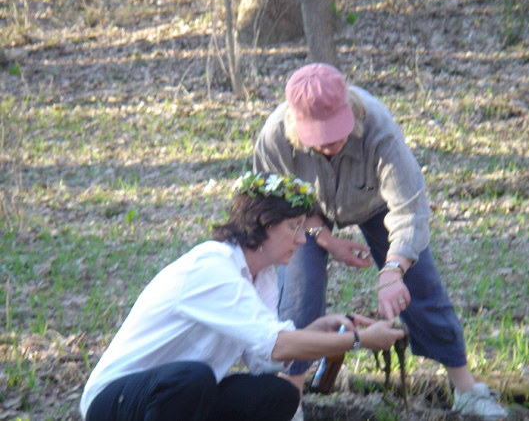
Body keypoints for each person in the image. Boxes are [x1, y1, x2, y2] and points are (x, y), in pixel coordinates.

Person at [253, 63, 509, 420]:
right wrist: (325, 239)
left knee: (419, 285)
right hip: (303, 214)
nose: (329, 145)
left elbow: (409, 209)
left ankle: (466, 390)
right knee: (300, 289)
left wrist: (393, 271)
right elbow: (278, 209)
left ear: (350, 113)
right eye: (319, 137)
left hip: (375, 203)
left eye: (337, 133)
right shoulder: (275, 139)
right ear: (296, 126)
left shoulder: (378, 126)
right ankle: (289, 398)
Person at [79, 171, 405, 421]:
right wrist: (359, 340)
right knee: (193, 378)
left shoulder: (261, 275)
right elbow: (277, 343)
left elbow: (263, 357)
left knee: (276, 394)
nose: (302, 240)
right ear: (262, 225)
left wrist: (318, 328)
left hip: (181, 394)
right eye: (294, 228)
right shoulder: (212, 266)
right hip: (113, 401)